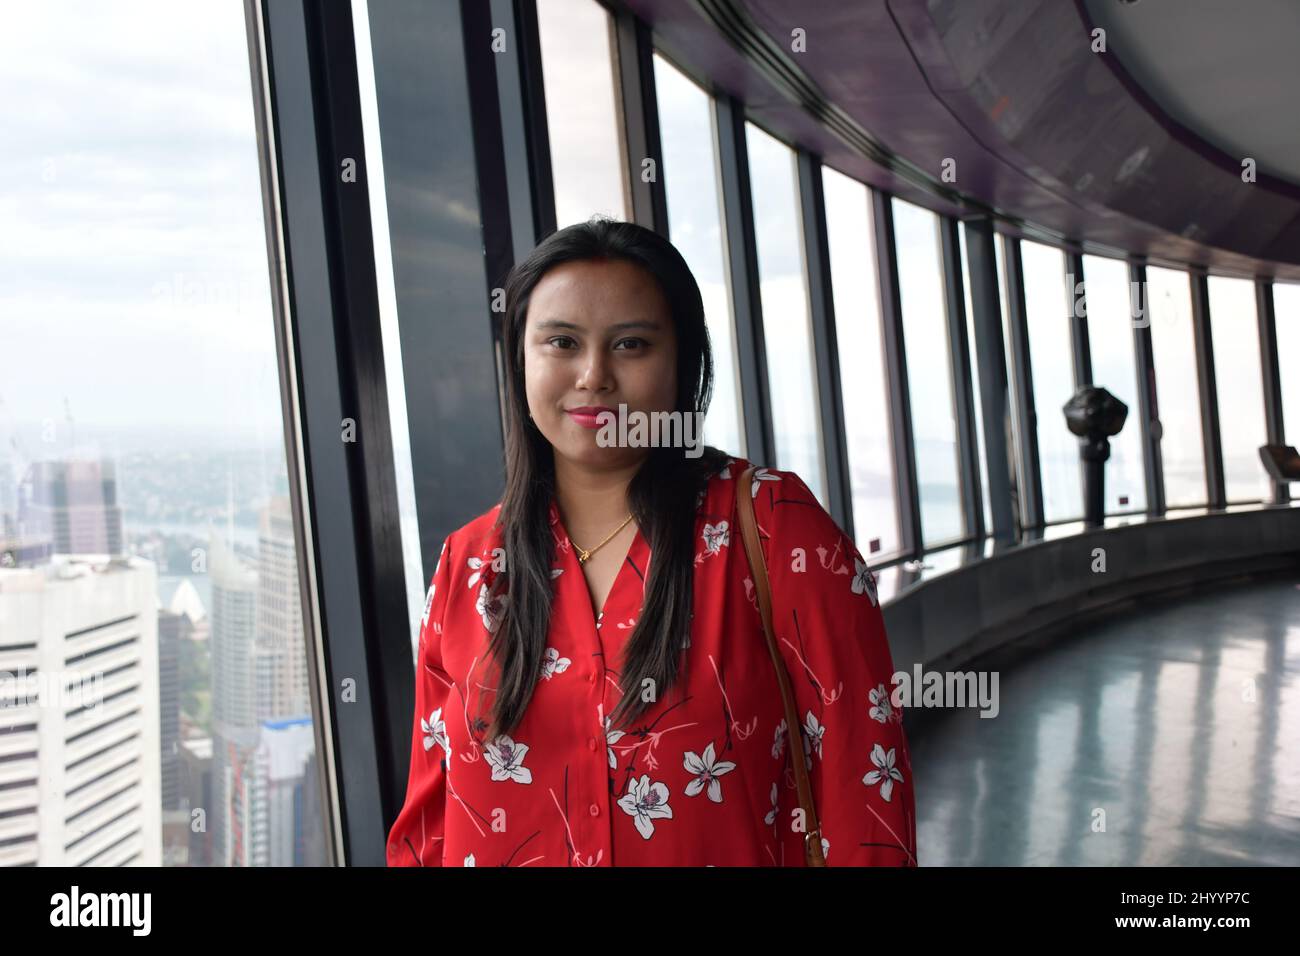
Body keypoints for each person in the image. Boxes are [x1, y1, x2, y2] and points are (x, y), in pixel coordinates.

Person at [386, 217, 916, 867]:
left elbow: (864, 786)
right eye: (561, 342)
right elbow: (428, 830)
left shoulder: (774, 528)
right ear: (520, 357)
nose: (593, 376)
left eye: (631, 345)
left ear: (683, 362)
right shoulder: (468, 567)